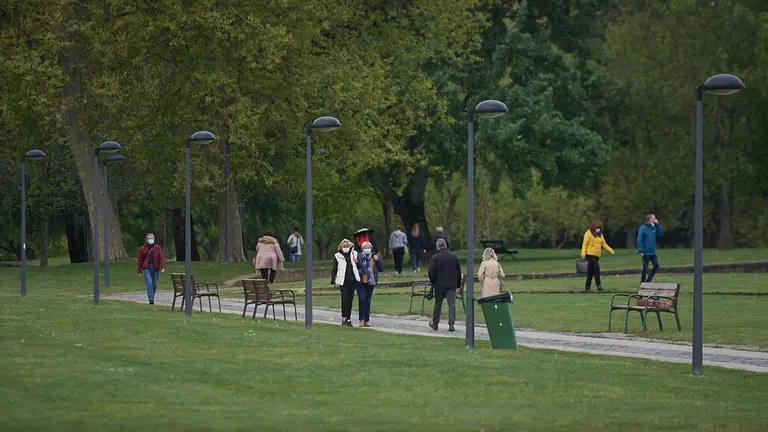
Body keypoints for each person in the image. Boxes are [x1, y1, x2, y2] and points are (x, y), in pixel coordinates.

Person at [428, 238, 462, 332]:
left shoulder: (435, 258)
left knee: (438, 303)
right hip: (451, 284)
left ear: (437, 247)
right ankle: (451, 324)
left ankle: (435, 324)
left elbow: (431, 272)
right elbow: (458, 272)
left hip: (439, 284)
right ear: (446, 246)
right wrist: (458, 285)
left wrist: (433, 281)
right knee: (452, 303)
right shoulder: (453, 257)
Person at [331, 239, 361, 327]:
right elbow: (334, 269)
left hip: (352, 279)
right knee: (345, 298)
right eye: (344, 246)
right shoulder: (337, 256)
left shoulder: (354, 254)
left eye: (347, 246)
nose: (346, 248)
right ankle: (344, 317)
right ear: (341, 247)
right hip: (343, 280)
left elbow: (359, 266)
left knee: (350, 299)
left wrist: (357, 262)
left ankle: (348, 318)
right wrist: (333, 281)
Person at [580, 221, 615, 293]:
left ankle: (587, 287)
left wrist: (610, 250)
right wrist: (583, 255)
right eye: (596, 228)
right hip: (590, 255)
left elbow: (604, 244)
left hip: (597, 256)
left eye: (599, 228)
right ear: (593, 228)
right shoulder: (588, 233)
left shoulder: (600, 235)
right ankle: (599, 286)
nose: (598, 230)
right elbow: (584, 245)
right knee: (596, 268)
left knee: (590, 272)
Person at [356, 241, 384, 327]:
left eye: (368, 247)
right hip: (361, 282)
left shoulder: (373, 257)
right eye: (365, 248)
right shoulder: (359, 256)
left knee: (368, 301)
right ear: (362, 249)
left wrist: (378, 260)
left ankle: (366, 320)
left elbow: (381, 268)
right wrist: (357, 262)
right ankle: (361, 319)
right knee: (362, 300)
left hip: (370, 282)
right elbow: (357, 267)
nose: (367, 249)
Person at [137, 233, 165, 305]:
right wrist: (139, 270)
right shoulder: (142, 249)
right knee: (149, 283)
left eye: (152, 238)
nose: (151, 240)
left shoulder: (157, 248)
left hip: (155, 267)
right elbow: (140, 260)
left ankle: (152, 296)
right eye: (149, 238)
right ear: (146, 239)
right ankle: (151, 299)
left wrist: (163, 267)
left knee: (154, 284)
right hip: (147, 267)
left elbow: (161, 257)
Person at [637, 213, 664, 283]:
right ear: (650, 219)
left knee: (656, 265)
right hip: (645, 252)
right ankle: (642, 283)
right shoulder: (643, 228)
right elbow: (639, 240)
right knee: (645, 268)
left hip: (652, 252)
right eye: (654, 218)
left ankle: (649, 280)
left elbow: (660, 233)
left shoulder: (653, 228)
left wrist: (657, 224)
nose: (655, 219)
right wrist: (641, 251)